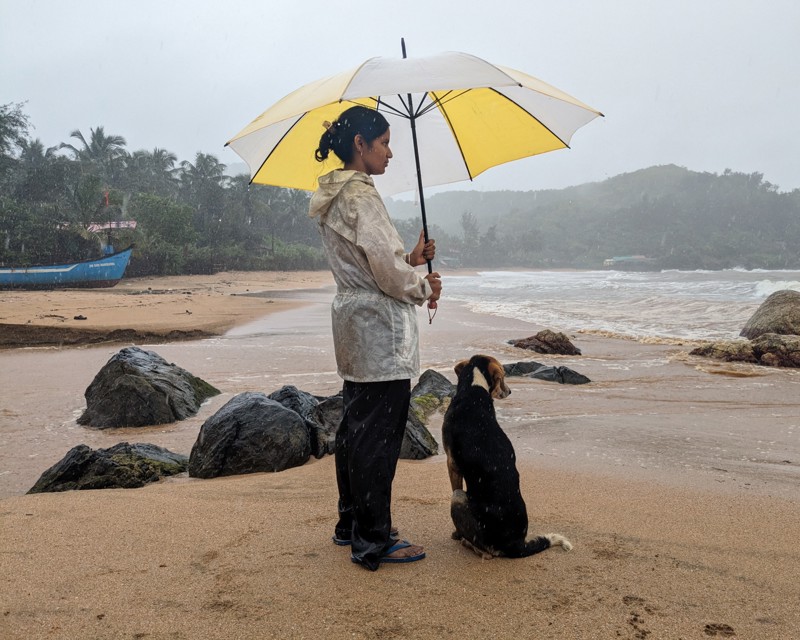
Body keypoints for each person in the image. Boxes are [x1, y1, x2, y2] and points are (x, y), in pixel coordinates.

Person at [309, 105, 442, 571]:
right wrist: (423, 283)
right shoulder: (362, 198)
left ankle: (353, 525)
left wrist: (409, 256)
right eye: (384, 142)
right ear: (360, 146)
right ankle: (373, 538)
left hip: (353, 324)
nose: (389, 152)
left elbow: (371, 263)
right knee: (376, 437)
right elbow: (387, 274)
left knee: (356, 429)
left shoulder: (334, 195)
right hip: (378, 330)